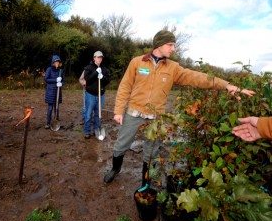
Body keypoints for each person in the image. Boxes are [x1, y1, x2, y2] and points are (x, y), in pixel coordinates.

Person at [104, 30, 256, 185]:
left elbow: (198, 78)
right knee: (121, 144)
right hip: (133, 113)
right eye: (170, 45)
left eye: (174, 45)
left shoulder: (173, 68)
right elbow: (125, 87)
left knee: (152, 152)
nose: (173, 49)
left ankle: (146, 183)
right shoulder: (137, 62)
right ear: (159, 44)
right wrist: (118, 111)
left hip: (156, 118)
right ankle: (115, 169)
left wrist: (226, 85)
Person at [83, 51, 111, 139]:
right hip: (90, 95)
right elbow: (87, 79)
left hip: (100, 95)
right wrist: (95, 73)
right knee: (88, 113)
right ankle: (87, 131)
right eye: (98, 57)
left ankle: (96, 130)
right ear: (94, 58)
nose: (100, 59)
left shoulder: (105, 69)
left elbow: (108, 80)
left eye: (101, 57)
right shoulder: (88, 68)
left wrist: (102, 77)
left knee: (98, 114)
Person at [44, 55, 63, 129]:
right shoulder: (49, 69)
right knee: (50, 108)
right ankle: (48, 123)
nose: (57, 63)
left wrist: (61, 83)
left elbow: (63, 80)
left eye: (58, 62)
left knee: (57, 107)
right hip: (50, 92)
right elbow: (46, 79)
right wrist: (55, 80)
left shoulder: (60, 70)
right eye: (56, 62)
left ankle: (56, 121)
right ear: (53, 62)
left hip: (58, 91)